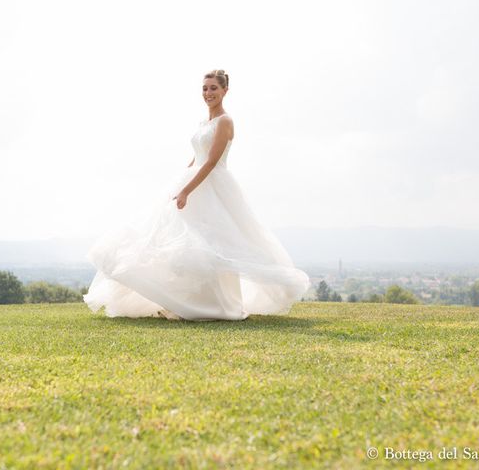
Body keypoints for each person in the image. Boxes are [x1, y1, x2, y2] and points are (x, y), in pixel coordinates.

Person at [83, 69, 310, 321]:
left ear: (225, 91)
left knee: (212, 245)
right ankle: (187, 302)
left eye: (213, 88)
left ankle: (218, 306)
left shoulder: (225, 121)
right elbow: (197, 158)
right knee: (188, 247)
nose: (208, 93)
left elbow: (211, 162)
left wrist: (186, 190)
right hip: (194, 179)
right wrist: (179, 180)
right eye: (205, 88)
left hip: (213, 187)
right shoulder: (205, 123)